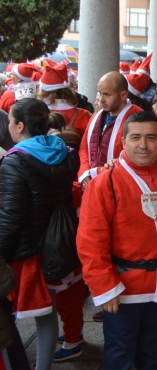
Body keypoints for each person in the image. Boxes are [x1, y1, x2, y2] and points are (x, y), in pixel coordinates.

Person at [77, 112, 157, 370]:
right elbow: (90, 241)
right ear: (123, 141)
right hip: (124, 287)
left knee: (149, 346)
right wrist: (104, 287)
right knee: (120, 352)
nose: (143, 145)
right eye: (135, 137)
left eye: (150, 137)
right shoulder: (106, 181)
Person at [0, 98, 79, 370]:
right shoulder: (65, 151)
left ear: (20, 126)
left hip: (26, 251)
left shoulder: (14, 161)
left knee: (8, 316)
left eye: (10, 121)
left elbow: (10, 218)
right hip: (57, 245)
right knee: (48, 312)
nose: (8, 126)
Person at [78, 72, 142, 187]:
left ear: (123, 95)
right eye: (99, 92)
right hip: (93, 185)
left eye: (106, 94)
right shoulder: (95, 117)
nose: (101, 99)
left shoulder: (139, 119)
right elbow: (83, 149)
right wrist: (84, 174)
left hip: (122, 186)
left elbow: (141, 156)